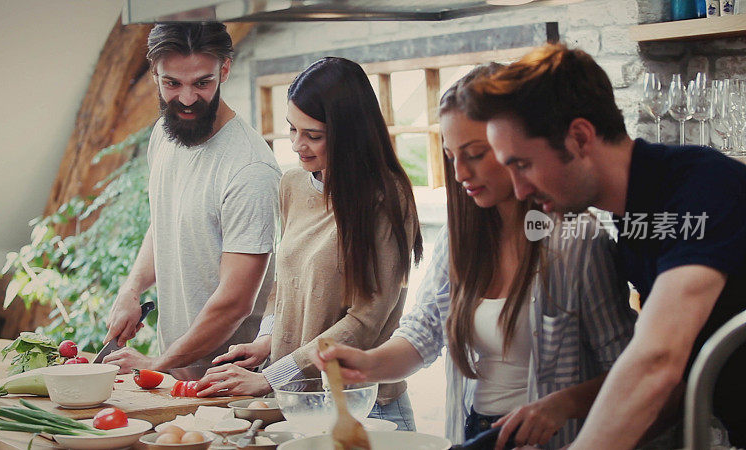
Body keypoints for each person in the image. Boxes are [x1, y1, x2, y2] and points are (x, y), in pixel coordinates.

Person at [315, 66, 637, 449]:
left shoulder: (576, 240)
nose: (459, 172)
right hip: (473, 432)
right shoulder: (460, 236)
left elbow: (628, 369)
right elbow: (424, 332)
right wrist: (367, 363)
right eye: (451, 156)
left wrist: (561, 406)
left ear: (512, 143)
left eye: (475, 155)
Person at [467, 43, 746, 448]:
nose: (519, 189)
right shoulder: (633, 212)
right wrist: (564, 403)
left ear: (580, 137)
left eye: (523, 164)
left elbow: (658, 362)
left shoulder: (702, 190)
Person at [195, 57, 424, 431]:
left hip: (364, 406)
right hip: (298, 400)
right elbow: (285, 283)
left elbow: (366, 321)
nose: (299, 146)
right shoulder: (293, 185)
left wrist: (273, 376)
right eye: (292, 129)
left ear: (351, 133)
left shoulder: (386, 199)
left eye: (314, 135)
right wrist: (268, 338)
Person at [101, 22, 281, 374]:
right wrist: (132, 288)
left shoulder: (250, 169)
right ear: (155, 73)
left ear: (224, 70)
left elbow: (235, 303)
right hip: (172, 377)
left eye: (202, 83)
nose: (185, 99)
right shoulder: (165, 136)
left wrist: (157, 363)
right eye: (172, 83)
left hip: (228, 386)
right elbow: (165, 222)